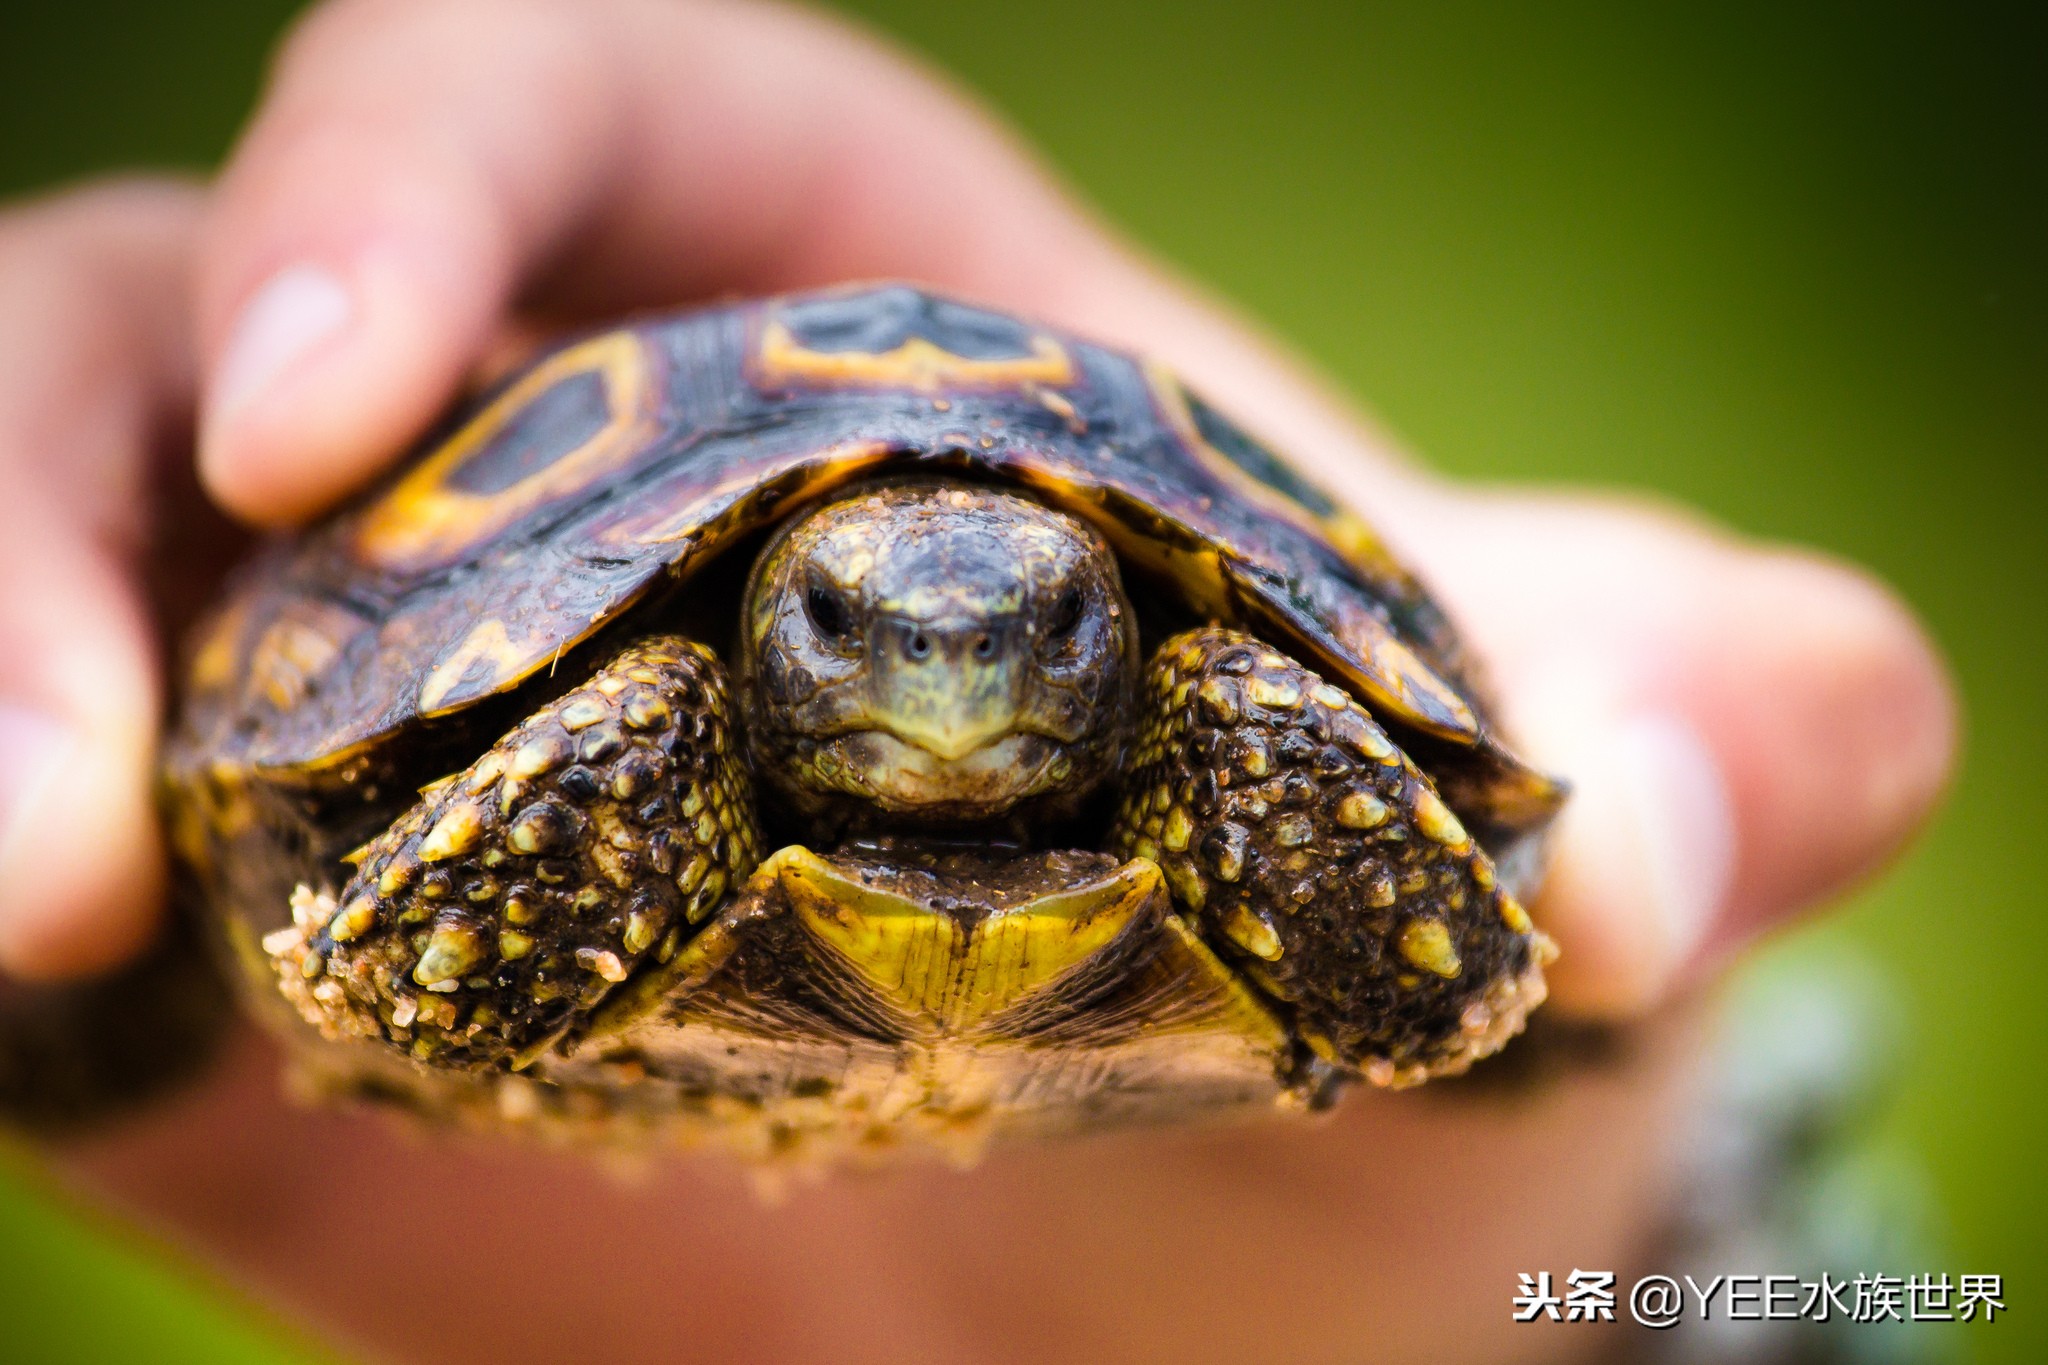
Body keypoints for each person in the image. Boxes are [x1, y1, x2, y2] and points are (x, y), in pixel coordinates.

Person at [0, 2, 1955, 1361]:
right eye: (852, 634)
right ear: (763, 637)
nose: (948, 683)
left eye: (1041, 631)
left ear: (1118, 632)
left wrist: (1587, 1248)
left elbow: (1379, 827)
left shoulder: (1215, 710)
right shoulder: (652, 705)